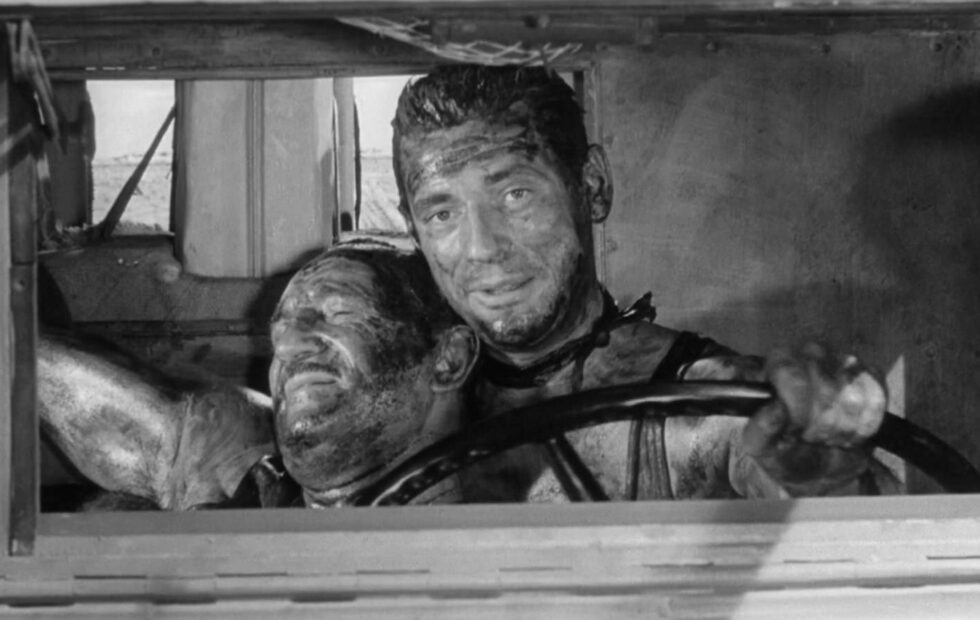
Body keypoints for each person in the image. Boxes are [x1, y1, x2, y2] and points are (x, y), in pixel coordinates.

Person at [390, 64, 898, 501]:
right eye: (441, 214)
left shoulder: (707, 404)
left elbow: (868, 544)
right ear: (412, 229)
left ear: (592, 186)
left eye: (515, 194)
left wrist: (823, 480)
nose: (481, 247)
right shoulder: (395, 416)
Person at [39, 240, 480, 509]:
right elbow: (36, 360)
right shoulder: (233, 466)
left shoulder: (512, 513)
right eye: (280, 330)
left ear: (448, 359)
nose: (286, 347)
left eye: (338, 313)